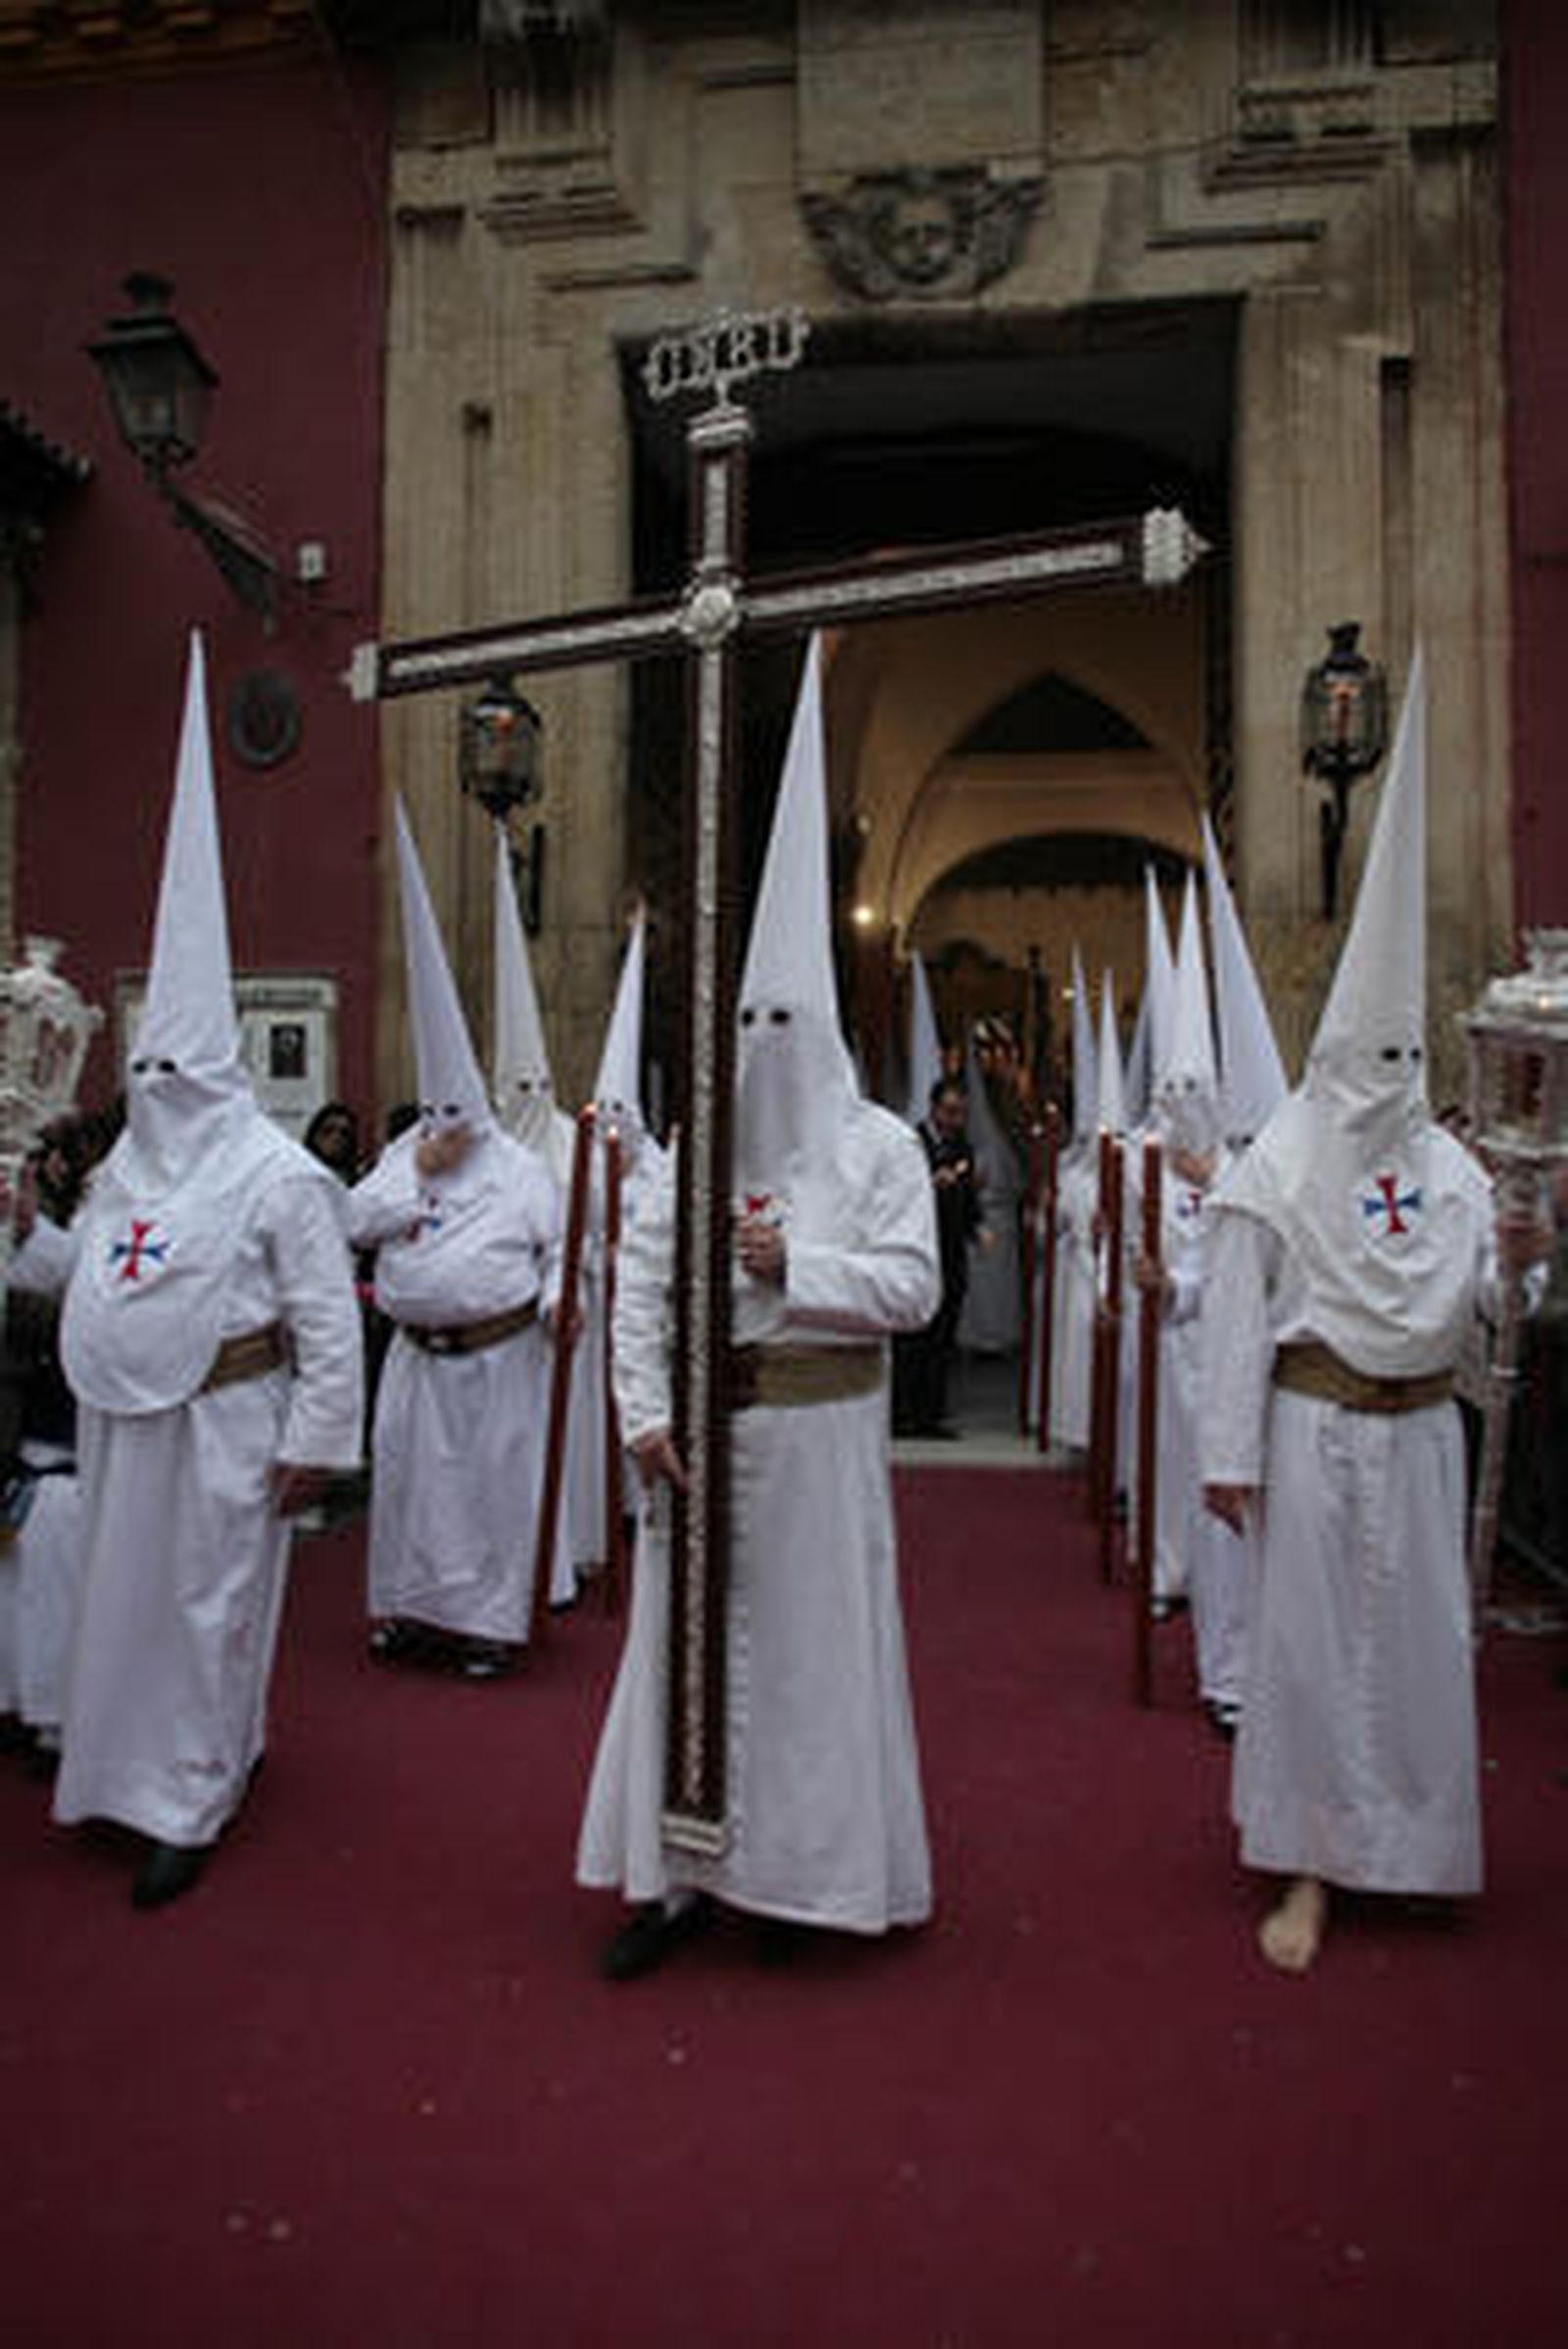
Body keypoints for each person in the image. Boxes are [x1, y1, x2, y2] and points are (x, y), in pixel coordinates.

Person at [577, 634, 941, 1977]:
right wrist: (638, 1413)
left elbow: (913, 1287)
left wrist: (807, 1274)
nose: (765, 1051)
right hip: (703, 1442)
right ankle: (674, 1875)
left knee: (807, 1662)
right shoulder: (691, 1153)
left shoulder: (881, 1150)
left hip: (825, 1445)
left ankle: (807, 1878)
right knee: (684, 1662)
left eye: (788, 1022)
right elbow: (639, 1280)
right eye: (749, 1024)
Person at [1200, 652, 1548, 1973]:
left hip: (1418, 1439)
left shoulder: (1453, 1170)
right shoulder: (1280, 1162)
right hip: (1315, 1427)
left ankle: (1406, 1846)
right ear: (1338, 1049)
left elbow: (1480, 1304)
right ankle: (1306, 1861)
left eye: (1413, 1059)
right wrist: (1229, 1456)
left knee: (1411, 1642)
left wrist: (1511, 1259)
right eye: (1375, 1058)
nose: (1393, 1081)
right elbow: (1239, 1312)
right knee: (1305, 1646)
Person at [5, 635, 364, 1909]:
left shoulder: (277, 1173)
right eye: (143, 1069)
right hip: (120, 1420)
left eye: (178, 1073)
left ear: (217, 1072)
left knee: (212, 1609)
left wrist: (319, 1434)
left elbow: (327, 1316)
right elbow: (95, 1269)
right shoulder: (123, 1174)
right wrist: (23, 1229)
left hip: (226, 1421)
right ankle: (117, 1772)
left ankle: (194, 1793)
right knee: (126, 1607)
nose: (155, 1090)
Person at [346, 800, 562, 1680]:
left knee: (484, 1495)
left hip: (494, 1361)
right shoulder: (407, 1154)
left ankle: (486, 1626)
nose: (441, 1123)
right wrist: (417, 1172)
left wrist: (558, 1304)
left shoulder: (519, 1168)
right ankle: (406, 1611)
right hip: (412, 1359)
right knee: (405, 1492)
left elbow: (559, 1255)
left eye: (453, 1112)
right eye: (430, 1111)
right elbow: (353, 1222)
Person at [893, 1077, 980, 1437]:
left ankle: (931, 1414)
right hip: (919, 1251)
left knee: (943, 1336)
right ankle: (901, 1414)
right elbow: (897, 1194)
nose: (955, 1119)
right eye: (949, 1111)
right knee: (913, 1336)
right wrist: (930, 1183)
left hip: (952, 1254)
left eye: (961, 1113)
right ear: (933, 1109)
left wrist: (978, 1226)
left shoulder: (964, 1147)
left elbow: (968, 1198)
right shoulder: (911, 1145)